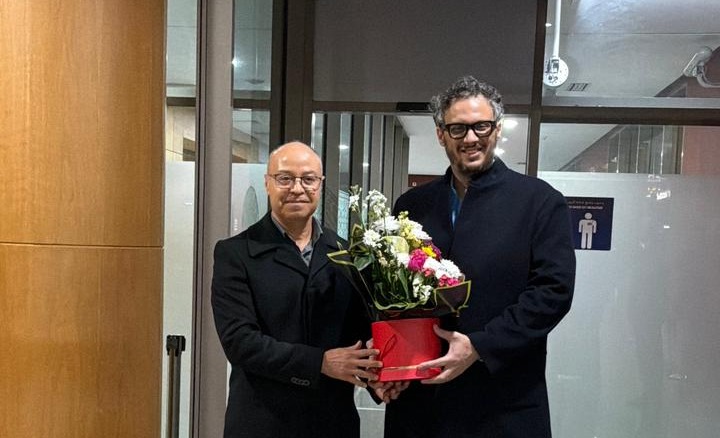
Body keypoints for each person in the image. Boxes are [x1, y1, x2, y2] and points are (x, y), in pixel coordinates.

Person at [384, 76, 576, 437]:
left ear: (497, 129)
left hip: (502, 403)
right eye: (457, 128)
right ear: (441, 134)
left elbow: (553, 292)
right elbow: (393, 296)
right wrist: (391, 365)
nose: (470, 138)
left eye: (481, 126)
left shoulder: (539, 201)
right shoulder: (412, 205)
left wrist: (479, 346)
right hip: (422, 403)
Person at [211, 141, 382, 438]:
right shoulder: (235, 253)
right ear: (267, 183)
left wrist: (379, 379)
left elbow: (362, 335)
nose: (297, 188)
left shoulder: (347, 254)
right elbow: (240, 342)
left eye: (308, 179)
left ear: (320, 184)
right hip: (262, 423)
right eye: (285, 178)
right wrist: (320, 363)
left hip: (333, 422)